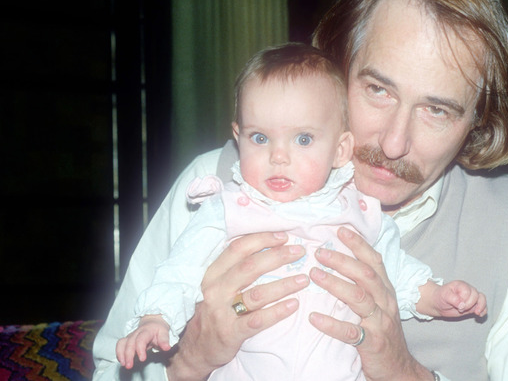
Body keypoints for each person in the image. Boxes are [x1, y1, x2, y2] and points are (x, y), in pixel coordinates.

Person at [93, 0, 508, 381]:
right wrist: (188, 363)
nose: (392, 143)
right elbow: (112, 367)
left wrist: (405, 374)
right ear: (338, 63)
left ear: (476, 122)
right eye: (378, 89)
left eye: (438, 110)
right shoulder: (215, 186)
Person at [114, 43, 487, 380]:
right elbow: (179, 271)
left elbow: (397, 274)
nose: (278, 156)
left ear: (340, 150)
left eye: (303, 139)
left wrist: (436, 297)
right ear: (238, 137)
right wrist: (154, 319)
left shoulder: (360, 211)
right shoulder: (226, 208)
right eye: (260, 138)